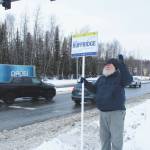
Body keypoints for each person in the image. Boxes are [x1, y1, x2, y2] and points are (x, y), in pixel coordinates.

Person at [81, 54, 133, 150]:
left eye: (111, 64)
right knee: (104, 139)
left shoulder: (120, 77)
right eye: (106, 64)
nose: (108, 65)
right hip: (102, 113)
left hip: (116, 113)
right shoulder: (101, 78)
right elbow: (95, 89)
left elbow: (129, 80)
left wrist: (121, 64)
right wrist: (85, 83)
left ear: (115, 67)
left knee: (116, 139)